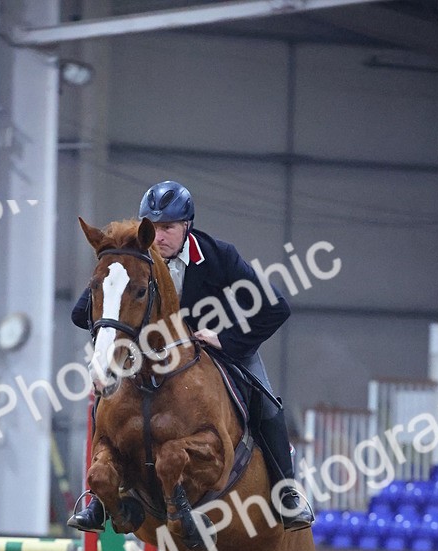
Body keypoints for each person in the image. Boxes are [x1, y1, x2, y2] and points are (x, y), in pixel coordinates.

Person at [68, 180, 313, 532]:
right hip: (152, 356)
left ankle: (286, 495)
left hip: (221, 349)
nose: (159, 236)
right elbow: (83, 313)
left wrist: (225, 339)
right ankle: (97, 500)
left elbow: (276, 308)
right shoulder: (135, 261)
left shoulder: (217, 257)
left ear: (187, 226)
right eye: (152, 227)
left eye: (167, 228)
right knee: (104, 400)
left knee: (267, 405)